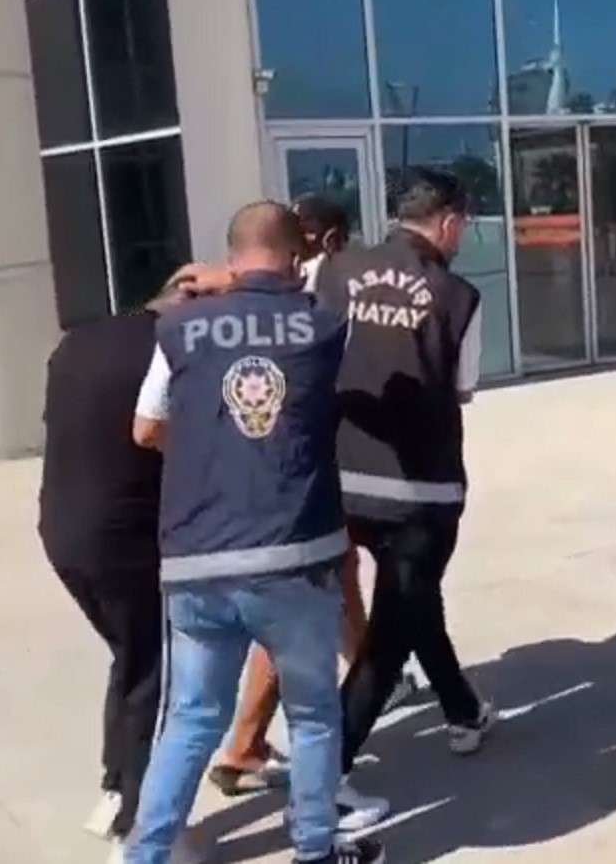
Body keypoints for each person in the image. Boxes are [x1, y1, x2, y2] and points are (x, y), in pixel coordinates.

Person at [125, 201, 384, 864]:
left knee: (190, 719)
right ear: (296, 257)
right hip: (295, 554)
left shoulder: (178, 329)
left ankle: (145, 854)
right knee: (313, 715)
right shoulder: (324, 323)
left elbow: (147, 427)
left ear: (230, 256)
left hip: (196, 556)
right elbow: (347, 277)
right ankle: (314, 850)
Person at [208, 196, 417, 809]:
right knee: (299, 608)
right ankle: (258, 753)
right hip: (303, 482)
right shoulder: (314, 301)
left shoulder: (285, 298)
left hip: (289, 476)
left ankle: (372, 674)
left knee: (338, 582)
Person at [313, 166, 496, 782]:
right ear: (448, 222)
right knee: (391, 634)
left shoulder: (334, 270)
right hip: (421, 492)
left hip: (340, 480)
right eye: (464, 225)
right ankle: (328, 769)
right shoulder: (459, 296)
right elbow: (462, 388)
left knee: (414, 599)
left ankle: (463, 709)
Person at [36, 271, 194, 845]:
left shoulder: (78, 342)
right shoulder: (170, 352)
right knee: (157, 669)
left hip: (62, 529)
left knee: (131, 656)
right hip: (125, 540)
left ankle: (114, 784)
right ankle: (140, 823)